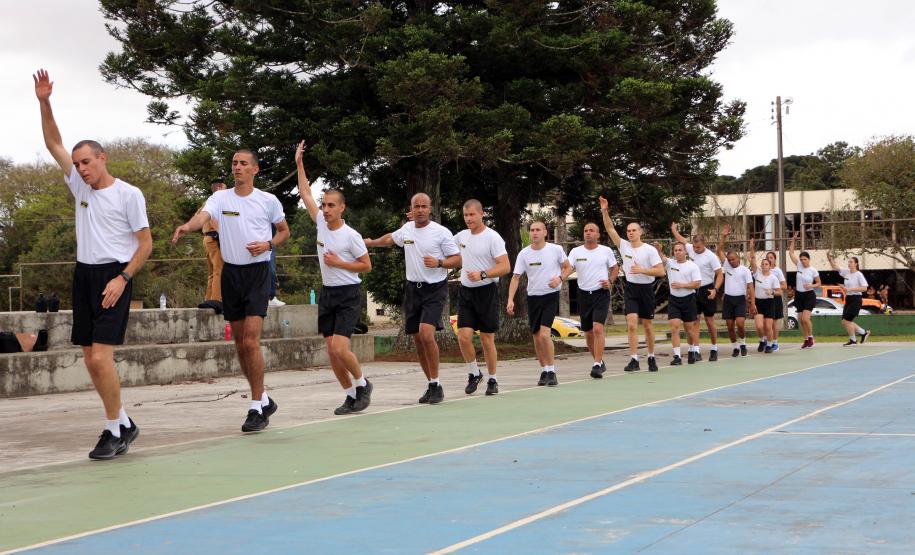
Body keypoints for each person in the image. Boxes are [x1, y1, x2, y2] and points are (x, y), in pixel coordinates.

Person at [34, 68, 152, 459]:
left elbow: (146, 245)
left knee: (101, 357)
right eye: (78, 164)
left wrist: (123, 278)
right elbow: (53, 142)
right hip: (83, 275)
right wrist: (45, 102)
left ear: (103, 158)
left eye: (87, 162)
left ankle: (113, 428)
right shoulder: (79, 186)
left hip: (114, 276)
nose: (81, 168)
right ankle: (124, 423)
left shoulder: (129, 194)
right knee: (90, 359)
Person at [172, 149, 290, 432]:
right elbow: (202, 217)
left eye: (243, 163)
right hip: (231, 274)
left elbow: (284, 231)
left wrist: (268, 245)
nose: (237, 167)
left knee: (250, 340)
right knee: (239, 343)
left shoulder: (268, 200)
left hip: (257, 273)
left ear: (255, 170)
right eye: (234, 163)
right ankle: (263, 399)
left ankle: (256, 407)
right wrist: (187, 227)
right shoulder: (220, 198)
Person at [295, 142, 374, 413]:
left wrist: (339, 262)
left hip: (348, 294)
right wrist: (299, 164)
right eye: (324, 205)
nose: (326, 209)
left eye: (331, 205)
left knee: (340, 348)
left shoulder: (351, 236)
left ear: (342, 208)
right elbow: (305, 192)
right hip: (327, 293)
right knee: (332, 351)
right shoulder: (320, 222)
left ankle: (363, 384)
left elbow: (366, 266)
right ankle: (351, 395)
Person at [364, 193, 461, 404]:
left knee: (426, 334)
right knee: (417, 339)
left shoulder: (441, 232)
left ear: (430, 209)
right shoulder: (406, 230)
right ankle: (432, 385)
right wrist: (369, 243)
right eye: (416, 206)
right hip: (412, 289)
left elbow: (457, 259)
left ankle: (436, 383)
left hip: (435, 289)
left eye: (424, 206)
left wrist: (439, 263)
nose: (420, 210)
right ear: (411, 209)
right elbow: (390, 239)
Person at [599, 197, 664, 372]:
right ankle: (634, 359)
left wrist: (642, 270)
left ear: (640, 232)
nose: (630, 233)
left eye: (634, 230)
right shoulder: (624, 246)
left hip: (646, 289)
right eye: (628, 230)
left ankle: (651, 356)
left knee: (648, 326)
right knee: (632, 323)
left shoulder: (650, 250)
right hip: (631, 289)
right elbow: (610, 228)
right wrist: (605, 210)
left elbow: (661, 271)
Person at [453, 199, 510, 396]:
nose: (468, 219)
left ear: (481, 214)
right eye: (465, 215)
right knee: (463, 336)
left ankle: (493, 379)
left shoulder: (493, 237)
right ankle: (474, 373)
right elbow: (441, 243)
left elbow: (505, 266)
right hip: (466, 292)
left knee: (487, 339)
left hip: (486, 292)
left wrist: (483, 274)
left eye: (472, 215)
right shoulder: (461, 236)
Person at [507, 220, 570, 386]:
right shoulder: (524, 254)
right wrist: (510, 300)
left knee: (544, 334)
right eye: (532, 230)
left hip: (550, 295)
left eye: (538, 230)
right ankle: (544, 370)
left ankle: (552, 371)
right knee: (536, 336)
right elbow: (515, 278)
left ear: (545, 233)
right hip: (533, 297)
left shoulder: (555, 250)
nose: (534, 233)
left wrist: (559, 278)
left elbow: (568, 267)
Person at [562, 223, 619, 377]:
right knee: (588, 333)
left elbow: (615, 268)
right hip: (583, 295)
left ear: (598, 235)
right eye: (586, 230)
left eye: (592, 230)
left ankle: (596, 364)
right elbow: (568, 267)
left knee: (598, 328)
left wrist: (610, 281)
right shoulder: (575, 252)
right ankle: (598, 361)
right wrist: (560, 278)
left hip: (601, 294)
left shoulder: (606, 251)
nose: (588, 233)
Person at [671, 223, 723, 361]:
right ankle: (696, 350)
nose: (695, 249)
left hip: (707, 289)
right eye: (694, 247)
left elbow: (720, 274)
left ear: (704, 244)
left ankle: (714, 348)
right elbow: (681, 239)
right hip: (693, 290)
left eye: (698, 247)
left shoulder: (711, 256)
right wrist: (674, 229)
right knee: (695, 321)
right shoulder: (690, 248)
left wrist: (715, 289)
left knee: (709, 321)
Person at [655, 242, 701, 365]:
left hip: (689, 299)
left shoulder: (692, 266)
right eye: (675, 250)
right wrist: (659, 250)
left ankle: (691, 350)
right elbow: (662, 259)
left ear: (685, 252)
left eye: (680, 250)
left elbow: (697, 284)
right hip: (674, 300)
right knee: (674, 327)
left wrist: (682, 285)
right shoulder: (670, 263)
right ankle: (677, 356)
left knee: (689, 329)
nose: (677, 252)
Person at [716, 225, 755, 357]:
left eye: (733, 259)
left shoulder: (745, 270)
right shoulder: (726, 266)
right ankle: (735, 347)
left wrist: (753, 303)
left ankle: (743, 344)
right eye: (729, 260)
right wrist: (723, 236)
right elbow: (719, 250)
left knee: (740, 323)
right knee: (729, 325)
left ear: (738, 258)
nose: (731, 261)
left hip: (740, 300)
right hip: (728, 299)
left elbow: (750, 287)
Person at [827, 253, 871, 346]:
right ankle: (863, 332)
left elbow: (864, 288)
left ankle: (853, 340)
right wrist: (830, 258)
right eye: (848, 262)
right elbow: (835, 267)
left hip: (856, 299)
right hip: (849, 299)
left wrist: (850, 289)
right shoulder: (846, 272)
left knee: (847, 321)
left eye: (851, 262)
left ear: (856, 264)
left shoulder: (859, 274)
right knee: (844, 322)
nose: (849, 263)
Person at [198, 181, 227, 312]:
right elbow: (214, 220)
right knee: (219, 270)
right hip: (214, 238)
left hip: (207, 238)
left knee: (212, 272)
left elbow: (198, 216)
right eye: (225, 188)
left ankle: (209, 299)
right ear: (219, 188)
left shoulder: (206, 202)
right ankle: (216, 300)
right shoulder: (216, 201)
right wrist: (224, 235)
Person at [789, 232, 821, 349]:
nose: (803, 261)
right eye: (801, 259)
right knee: (801, 320)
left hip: (809, 295)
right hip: (799, 295)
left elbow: (819, 283)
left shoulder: (813, 270)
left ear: (809, 259)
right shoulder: (799, 265)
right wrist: (793, 239)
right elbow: (791, 252)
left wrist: (811, 285)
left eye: (805, 259)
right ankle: (806, 339)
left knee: (805, 319)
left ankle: (811, 337)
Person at [748, 251, 782, 354]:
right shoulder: (757, 273)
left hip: (769, 303)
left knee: (768, 327)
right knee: (759, 326)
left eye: (766, 264)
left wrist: (772, 292)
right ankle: (762, 340)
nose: (764, 265)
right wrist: (751, 248)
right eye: (762, 264)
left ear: (770, 266)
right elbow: (752, 261)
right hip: (759, 302)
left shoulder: (773, 278)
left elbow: (779, 292)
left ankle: (769, 345)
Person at [267, 223, 286, 307]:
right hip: (254, 240)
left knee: (271, 269)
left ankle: (271, 297)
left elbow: (283, 229)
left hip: (269, 242)